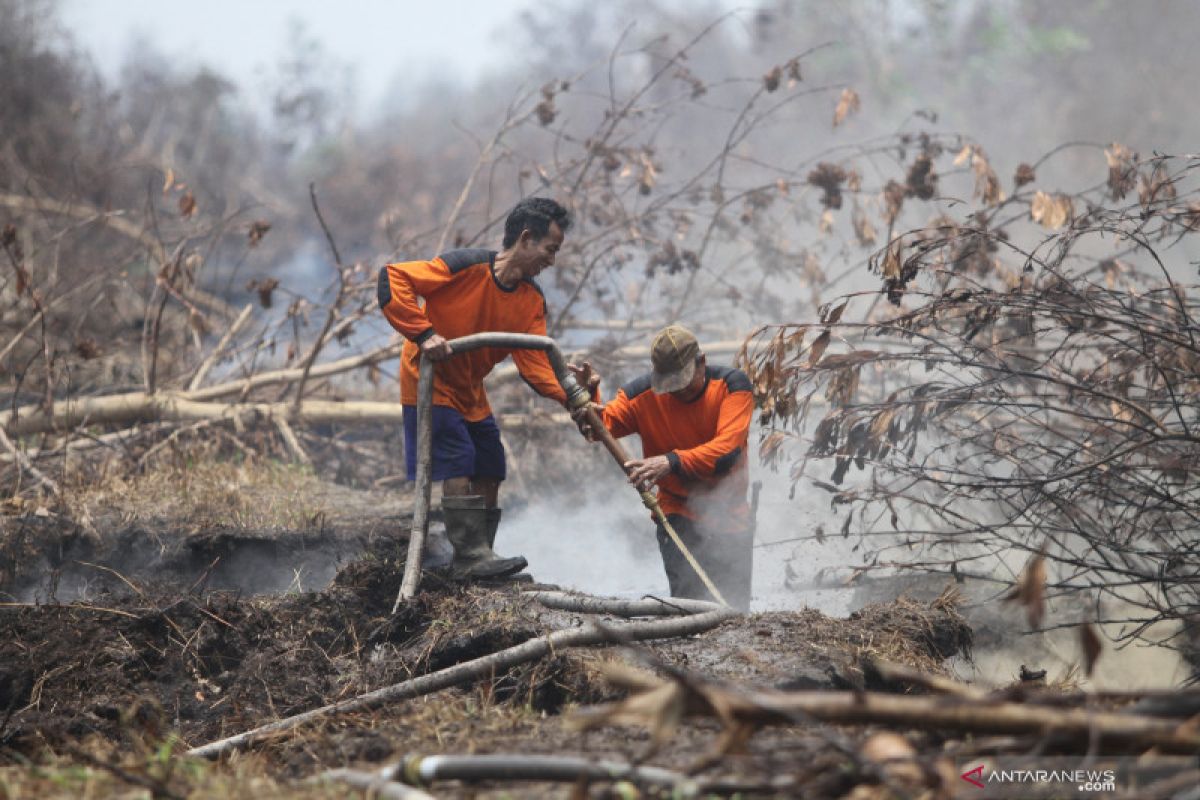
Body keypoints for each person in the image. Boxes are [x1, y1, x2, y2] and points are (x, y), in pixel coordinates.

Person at [377, 197, 573, 580]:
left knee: (490, 462)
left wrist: (573, 396)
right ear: (527, 239)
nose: (551, 260)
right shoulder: (462, 268)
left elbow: (536, 366)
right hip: (429, 378)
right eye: (550, 250)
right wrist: (424, 333)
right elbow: (393, 278)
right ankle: (469, 557)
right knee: (460, 456)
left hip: (469, 389)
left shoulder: (531, 301)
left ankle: (483, 557)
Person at [572, 324, 755, 610]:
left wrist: (671, 461)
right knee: (688, 607)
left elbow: (727, 452)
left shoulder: (733, 387)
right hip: (676, 512)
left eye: (682, 380)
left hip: (729, 513)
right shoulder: (640, 395)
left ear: (702, 362)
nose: (677, 391)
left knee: (735, 610)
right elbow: (598, 429)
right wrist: (587, 397)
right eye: (669, 383)